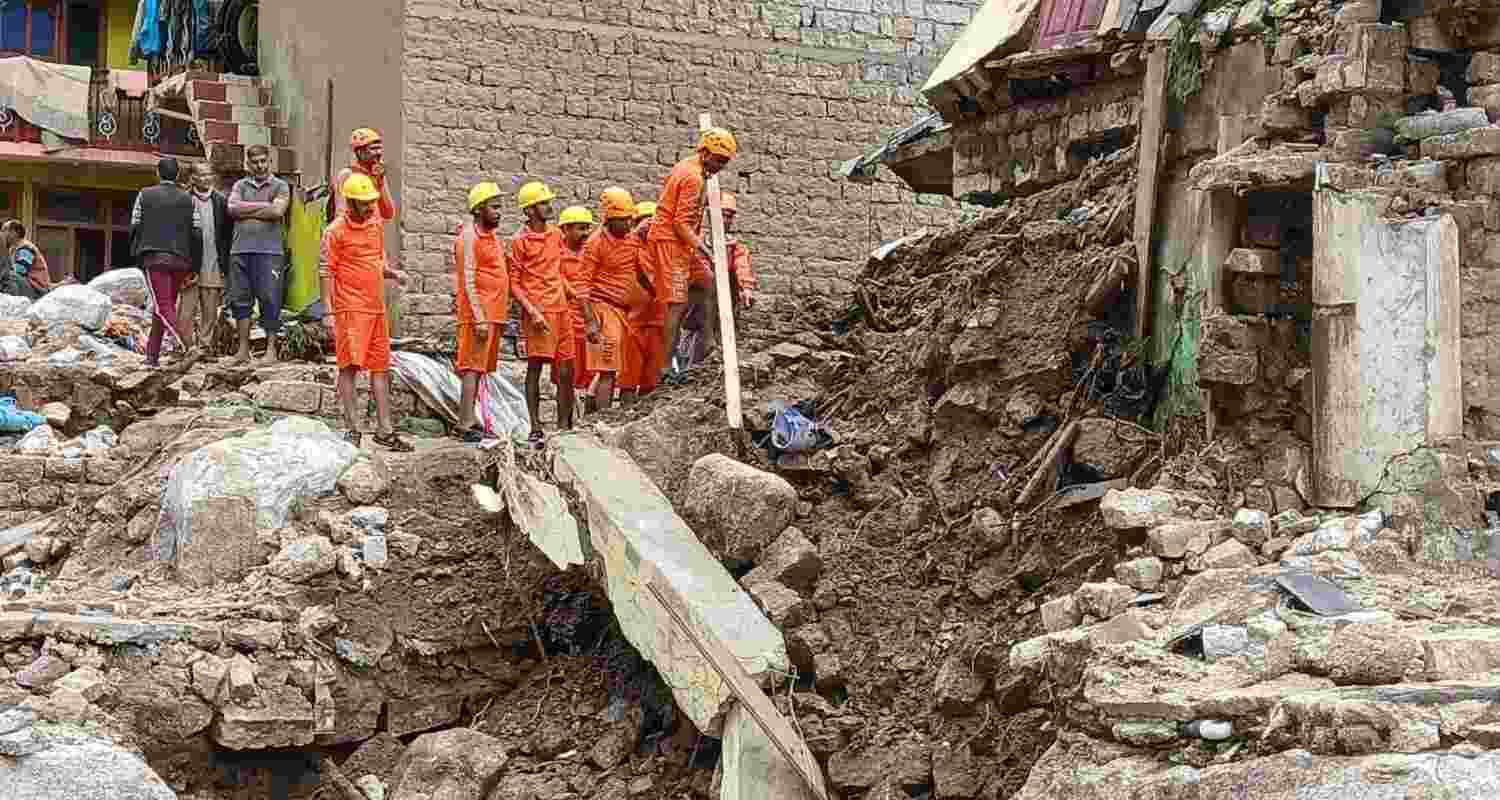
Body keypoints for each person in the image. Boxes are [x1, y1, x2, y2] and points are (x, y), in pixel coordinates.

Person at [319, 174, 413, 452]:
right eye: (364, 203)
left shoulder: (375, 224)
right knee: (349, 368)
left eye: (372, 201)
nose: (371, 206)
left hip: (375, 308)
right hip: (350, 309)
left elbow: (376, 260)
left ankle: (385, 430)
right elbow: (326, 271)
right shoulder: (335, 231)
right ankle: (352, 428)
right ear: (350, 202)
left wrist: (392, 273)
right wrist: (328, 312)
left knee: (381, 368)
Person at [452, 182, 544, 443]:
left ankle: (471, 420)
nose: (499, 212)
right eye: (494, 207)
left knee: (479, 369)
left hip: (493, 314)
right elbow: (468, 278)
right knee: (471, 368)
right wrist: (479, 317)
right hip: (478, 315)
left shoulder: (491, 237)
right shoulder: (468, 236)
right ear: (479, 209)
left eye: (500, 207)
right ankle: (464, 423)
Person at [647, 127, 737, 380]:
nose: (721, 166)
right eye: (719, 160)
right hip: (670, 241)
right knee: (676, 304)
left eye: (725, 162)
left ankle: (708, 342)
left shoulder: (693, 167)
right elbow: (679, 223)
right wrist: (706, 248)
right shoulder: (693, 178)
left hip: (683, 242)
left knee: (707, 281)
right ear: (705, 152)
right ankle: (666, 367)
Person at [509, 181, 576, 443]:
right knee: (536, 367)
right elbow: (514, 283)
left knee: (566, 369)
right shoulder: (519, 241)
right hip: (538, 311)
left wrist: (574, 295)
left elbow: (556, 272)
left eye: (548, 202)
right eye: (543, 203)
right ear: (529, 211)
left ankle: (562, 428)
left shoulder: (556, 235)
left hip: (561, 309)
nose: (548, 207)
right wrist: (532, 312)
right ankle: (535, 426)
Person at [577, 187, 642, 412]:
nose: (629, 224)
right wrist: (590, 322)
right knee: (607, 370)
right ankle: (602, 419)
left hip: (623, 313)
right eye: (623, 220)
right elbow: (582, 286)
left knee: (615, 369)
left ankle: (596, 414)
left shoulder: (633, 238)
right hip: (602, 310)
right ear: (609, 219)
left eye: (630, 219)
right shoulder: (596, 243)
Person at [130, 158, 198, 368]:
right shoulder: (189, 199)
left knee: (162, 306)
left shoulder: (145, 194)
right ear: (177, 175)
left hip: (155, 258)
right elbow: (197, 233)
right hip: (181, 261)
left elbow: (135, 225)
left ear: (157, 173)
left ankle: (188, 346)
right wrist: (194, 264)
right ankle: (152, 357)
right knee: (162, 308)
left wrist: (136, 251)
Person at [227, 144, 290, 364]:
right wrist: (264, 207)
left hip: (270, 252)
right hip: (240, 250)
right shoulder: (240, 185)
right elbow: (232, 208)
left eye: (263, 161)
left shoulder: (280, 185)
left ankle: (270, 350)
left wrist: (248, 209)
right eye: (255, 162)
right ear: (248, 164)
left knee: (270, 299)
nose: (260, 165)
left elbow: (277, 211)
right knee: (240, 300)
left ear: (269, 162)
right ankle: (243, 350)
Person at [682, 190, 755, 366]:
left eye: (730, 217)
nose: (727, 221)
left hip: (724, 310)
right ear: (710, 215)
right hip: (698, 308)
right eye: (723, 215)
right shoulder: (697, 244)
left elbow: (742, 266)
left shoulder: (735, 247)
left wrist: (746, 289)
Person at [178, 162, 233, 351]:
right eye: (200, 175)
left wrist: (226, 265)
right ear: (192, 178)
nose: (205, 178)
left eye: (208, 174)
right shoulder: (184, 199)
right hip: (189, 266)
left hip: (213, 264)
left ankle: (203, 348)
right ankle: (187, 348)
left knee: (210, 313)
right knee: (185, 312)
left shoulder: (221, 201)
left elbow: (227, 235)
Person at [620, 201, 664, 400]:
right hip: (632, 322)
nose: (648, 225)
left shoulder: (663, 249)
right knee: (628, 380)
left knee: (651, 380)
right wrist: (636, 234)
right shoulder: (629, 245)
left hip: (658, 321)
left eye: (652, 220)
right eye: (642, 220)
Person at [556, 205, 596, 409]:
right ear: (566, 229)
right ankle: (568, 420)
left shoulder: (591, 252)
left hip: (590, 325)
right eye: (581, 228)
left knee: (590, 376)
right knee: (566, 377)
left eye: (587, 228)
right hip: (567, 324)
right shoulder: (557, 254)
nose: (586, 233)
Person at [332, 128, 397, 222]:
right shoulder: (347, 175)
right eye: (373, 149)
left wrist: (380, 182)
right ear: (359, 152)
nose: (378, 153)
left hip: (372, 233)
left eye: (379, 148)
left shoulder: (377, 175)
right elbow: (340, 214)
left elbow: (388, 214)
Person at [1, 220, 48, 301]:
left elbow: (21, 270)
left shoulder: (25, 247)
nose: (2, 233)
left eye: (4, 229)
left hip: (36, 288)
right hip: (27, 285)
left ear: (15, 232)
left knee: (8, 277)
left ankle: (13, 303)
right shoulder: (13, 249)